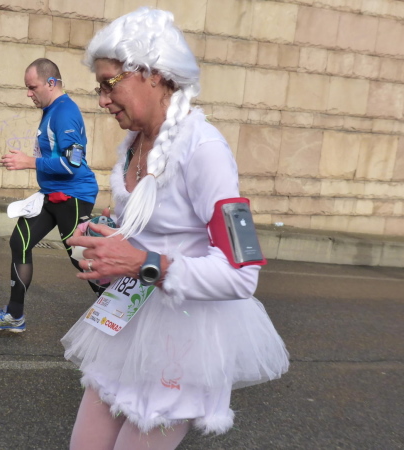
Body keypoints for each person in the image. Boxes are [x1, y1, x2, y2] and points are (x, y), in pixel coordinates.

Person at [62, 8, 290, 450]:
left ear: (153, 74)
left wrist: (143, 262)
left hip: (184, 341)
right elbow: (155, 231)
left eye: (110, 84)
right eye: (99, 88)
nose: (103, 100)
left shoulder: (206, 150)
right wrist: (112, 240)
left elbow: (243, 274)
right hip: (126, 325)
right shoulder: (133, 143)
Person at [0, 58, 101, 333]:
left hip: (74, 195)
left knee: (80, 257)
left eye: (32, 87)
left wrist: (29, 162)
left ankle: (118, 309)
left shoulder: (64, 112)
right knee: (19, 242)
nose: (28, 93)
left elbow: (73, 164)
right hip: (51, 194)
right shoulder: (51, 110)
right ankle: (14, 316)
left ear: (51, 83)